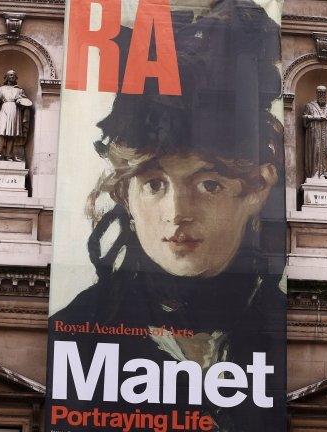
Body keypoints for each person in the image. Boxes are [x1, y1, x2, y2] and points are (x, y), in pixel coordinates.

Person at [47, 0, 285, 430]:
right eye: (155, 184)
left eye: (209, 184)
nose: (177, 214)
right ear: (125, 195)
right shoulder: (77, 332)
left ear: (257, 188)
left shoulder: (274, 324)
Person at [0, 70, 31, 161]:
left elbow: (26, 103)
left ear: (16, 78)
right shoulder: (0, 89)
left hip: (15, 110)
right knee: (1, 132)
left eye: (13, 75)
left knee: (12, 134)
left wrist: (20, 102)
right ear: (6, 77)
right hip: (4, 109)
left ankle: (9, 155)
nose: (12, 76)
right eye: (10, 75)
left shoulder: (19, 90)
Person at [303, 85, 327, 179]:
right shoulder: (309, 106)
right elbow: (304, 117)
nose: (321, 94)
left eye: (323, 92)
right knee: (316, 151)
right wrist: (316, 118)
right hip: (315, 132)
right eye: (319, 92)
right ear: (317, 93)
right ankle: (315, 174)